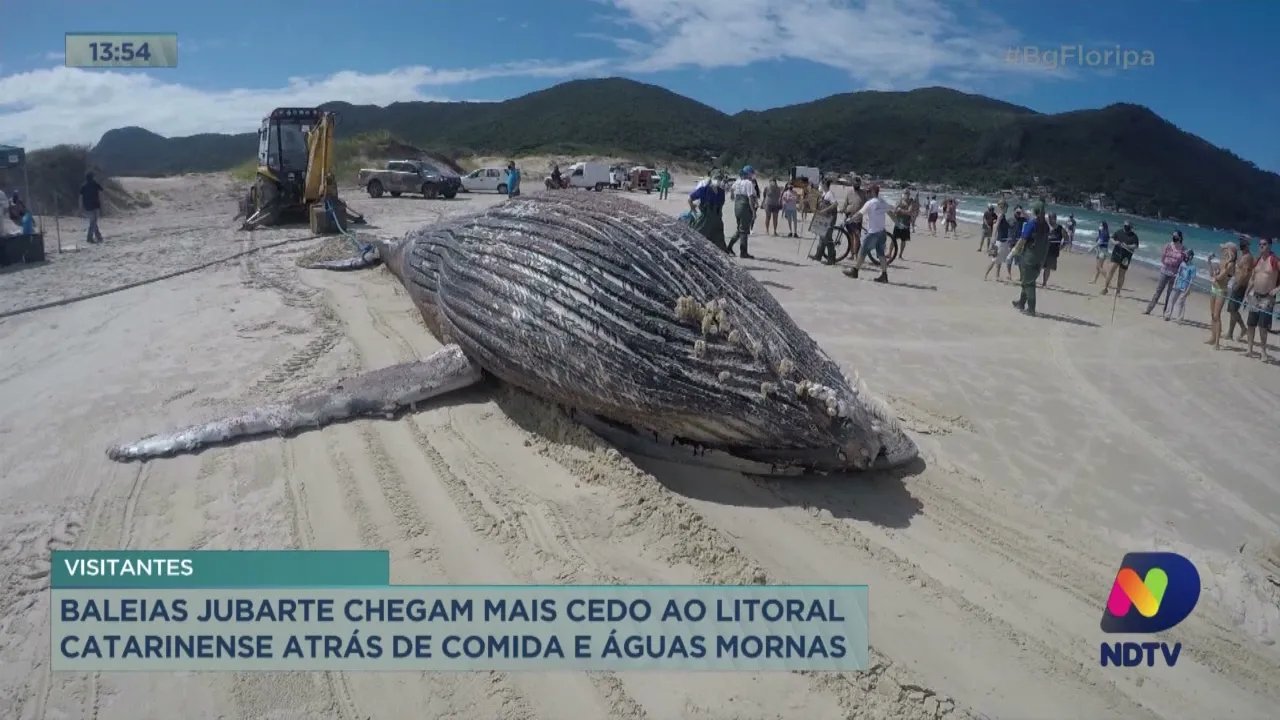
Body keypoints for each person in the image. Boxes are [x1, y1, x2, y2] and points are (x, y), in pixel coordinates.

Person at [844, 184, 893, 283]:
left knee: (862, 251)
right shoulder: (882, 201)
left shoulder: (870, 203)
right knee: (881, 254)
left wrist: (850, 220)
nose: (867, 194)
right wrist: (898, 223)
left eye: (868, 192)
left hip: (873, 233)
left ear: (873, 192)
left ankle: (855, 271)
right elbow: (891, 212)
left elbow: (859, 214)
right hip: (882, 232)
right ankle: (884, 275)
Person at [1011, 202, 1050, 316]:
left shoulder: (1032, 223)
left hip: (1029, 256)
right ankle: (1021, 302)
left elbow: (1023, 239)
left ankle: (1031, 308)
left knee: (1029, 283)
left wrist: (1014, 251)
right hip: (1040, 258)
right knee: (1027, 280)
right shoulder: (1045, 226)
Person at [1243, 237, 1278, 360]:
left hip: (1267, 298)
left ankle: (1263, 351)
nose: (1261, 246)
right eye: (1260, 244)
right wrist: (1246, 294)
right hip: (1255, 296)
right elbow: (1252, 279)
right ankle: (1249, 349)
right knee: (1251, 324)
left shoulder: (1274, 260)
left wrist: (1277, 289)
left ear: (1269, 246)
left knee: (1263, 326)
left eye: (1264, 244)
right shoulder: (1257, 261)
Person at [1143, 230, 1186, 315]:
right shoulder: (1168, 246)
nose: (1174, 237)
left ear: (1180, 238)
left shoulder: (1183, 249)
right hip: (1165, 271)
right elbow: (1162, 257)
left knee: (1169, 294)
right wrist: (1167, 264)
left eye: (1176, 236)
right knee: (1158, 291)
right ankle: (1149, 309)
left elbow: (1183, 262)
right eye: (1173, 235)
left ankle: (1165, 313)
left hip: (1174, 274)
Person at [1206, 240, 1237, 349]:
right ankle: (1213, 337)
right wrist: (1209, 262)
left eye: (1224, 249)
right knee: (1212, 314)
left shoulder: (1231, 264)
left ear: (1229, 251)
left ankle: (1217, 343)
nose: (1222, 250)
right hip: (1214, 288)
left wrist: (1215, 275)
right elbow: (1213, 275)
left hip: (1221, 291)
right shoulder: (1223, 260)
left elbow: (1220, 277)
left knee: (1216, 315)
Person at [1225, 236, 1255, 341]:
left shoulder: (1248, 257)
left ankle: (1243, 328)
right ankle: (1230, 333)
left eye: (1243, 242)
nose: (1240, 243)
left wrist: (1239, 284)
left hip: (1241, 286)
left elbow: (1246, 273)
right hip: (1236, 283)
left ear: (1247, 244)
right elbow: (1237, 270)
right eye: (1240, 241)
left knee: (1233, 309)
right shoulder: (1242, 255)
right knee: (1232, 309)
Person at [688, 176, 728, 253]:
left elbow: (690, 199)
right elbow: (690, 199)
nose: (719, 181)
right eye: (718, 179)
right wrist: (693, 210)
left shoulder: (705, 190)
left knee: (698, 239)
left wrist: (694, 209)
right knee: (716, 243)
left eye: (720, 179)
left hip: (708, 220)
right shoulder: (705, 190)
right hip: (711, 220)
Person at [727, 166, 758, 259]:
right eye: (752, 173)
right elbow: (750, 198)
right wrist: (753, 211)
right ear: (748, 174)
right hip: (744, 207)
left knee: (740, 229)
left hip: (737, 206)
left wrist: (732, 196)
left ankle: (729, 247)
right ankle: (743, 252)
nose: (753, 175)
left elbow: (731, 189)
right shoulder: (749, 183)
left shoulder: (737, 181)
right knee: (744, 231)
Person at [1101, 221, 1139, 295]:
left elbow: (1135, 246)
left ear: (1131, 227)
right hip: (1116, 254)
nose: (1126, 227)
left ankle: (1118, 291)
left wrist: (1127, 246)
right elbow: (1111, 238)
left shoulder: (1134, 236)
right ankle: (1105, 288)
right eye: (1125, 225)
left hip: (1126, 258)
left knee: (1121, 274)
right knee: (1111, 271)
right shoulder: (1119, 232)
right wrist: (1115, 242)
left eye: (1128, 226)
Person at [810, 178, 841, 264]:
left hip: (829, 218)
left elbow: (835, 204)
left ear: (824, 185)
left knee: (828, 238)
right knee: (822, 236)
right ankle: (818, 255)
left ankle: (831, 258)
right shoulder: (824, 193)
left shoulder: (830, 194)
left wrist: (824, 211)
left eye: (821, 184)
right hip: (824, 218)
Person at [1164, 249, 1196, 323]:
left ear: (1190, 257)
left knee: (1181, 302)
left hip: (1185, 287)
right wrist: (1175, 283)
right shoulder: (1182, 264)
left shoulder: (1193, 267)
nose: (1185, 256)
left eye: (1186, 255)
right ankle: (1167, 315)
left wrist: (1188, 290)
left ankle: (1179, 318)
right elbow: (1178, 274)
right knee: (1172, 299)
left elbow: (1191, 280)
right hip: (1178, 284)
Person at [984, 201, 1013, 281]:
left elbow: (997, 224)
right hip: (1000, 241)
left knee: (999, 260)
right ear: (1003, 207)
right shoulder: (1001, 215)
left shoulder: (1002, 215)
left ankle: (997, 276)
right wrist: (993, 237)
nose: (1007, 208)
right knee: (994, 259)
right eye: (1006, 207)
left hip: (1004, 241)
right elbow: (996, 226)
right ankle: (985, 275)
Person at [840, 177, 869, 247]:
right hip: (849, 217)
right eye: (855, 184)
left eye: (858, 184)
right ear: (853, 184)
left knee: (856, 236)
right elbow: (845, 203)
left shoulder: (863, 193)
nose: (857, 185)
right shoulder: (849, 192)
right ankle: (852, 254)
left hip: (858, 218)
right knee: (850, 236)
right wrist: (842, 209)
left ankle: (856, 254)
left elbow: (867, 203)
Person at [1041, 212, 1065, 287]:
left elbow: (1066, 238)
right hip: (1044, 249)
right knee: (1038, 266)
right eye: (1050, 218)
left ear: (1055, 218)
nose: (1051, 219)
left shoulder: (1060, 228)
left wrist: (1061, 247)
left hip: (1053, 251)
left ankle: (1044, 283)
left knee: (1047, 268)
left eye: (1052, 218)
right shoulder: (1045, 226)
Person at [81, 172, 104, 244]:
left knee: (93, 222)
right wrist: (103, 206)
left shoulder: (84, 186)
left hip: (87, 207)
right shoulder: (96, 185)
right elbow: (101, 194)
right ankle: (89, 237)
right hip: (95, 206)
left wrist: (81, 207)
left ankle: (98, 236)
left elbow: (80, 197)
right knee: (93, 222)